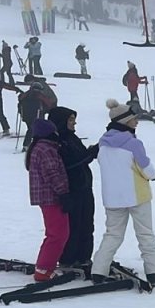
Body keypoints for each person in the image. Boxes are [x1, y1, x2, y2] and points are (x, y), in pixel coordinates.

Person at [90, 99, 155, 288]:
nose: (137, 121)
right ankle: (153, 272)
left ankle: (98, 271)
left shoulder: (102, 143)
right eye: (134, 119)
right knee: (145, 234)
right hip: (137, 197)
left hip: (112, 198)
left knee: (112, 235)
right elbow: (146, 170)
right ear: (125, 122)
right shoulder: (133, 143)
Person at [47, 106, 98, 271]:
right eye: (70, 119)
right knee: (73, 225)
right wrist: (89, 154)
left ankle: (84, 257)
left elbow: (82, 158)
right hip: (70, 190)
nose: (74, 122)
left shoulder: (72, 137)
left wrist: (91, 153)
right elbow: (68, 164)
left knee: (87, 224)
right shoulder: (57, 141)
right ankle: (68, 259)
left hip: (84, 187)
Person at [25, 118, 70, 281]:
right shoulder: (46, 149)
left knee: (55, 233)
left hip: (48, 197)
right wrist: (64, 193)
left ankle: (44, 265)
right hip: (51, 197)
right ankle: (44, 269)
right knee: (58, 234)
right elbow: (52, 173)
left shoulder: (42, 147)